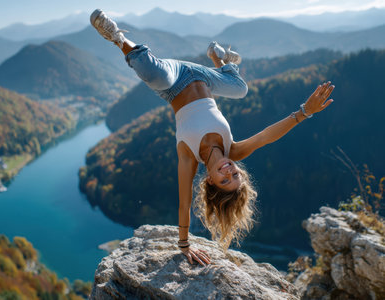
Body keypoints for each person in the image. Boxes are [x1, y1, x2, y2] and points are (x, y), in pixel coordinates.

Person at [90, 9, 335, 266]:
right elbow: (266, 136)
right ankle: (219, 58)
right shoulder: (234, 150)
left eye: (224, 179)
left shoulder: (188, 156)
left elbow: (184, 205)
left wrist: (184, 244)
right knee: (241, 89)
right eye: (235, 176)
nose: (229, 171)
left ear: (210, 180)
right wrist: (305, 112)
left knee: (156, 75)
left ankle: (116, 37)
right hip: (206, 77)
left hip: (174, 80)